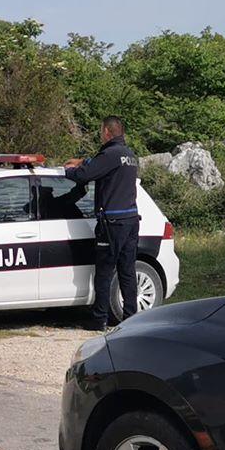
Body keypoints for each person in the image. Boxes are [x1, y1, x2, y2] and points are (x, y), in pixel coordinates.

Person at [63, 116, 142, 329]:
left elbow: (85, 175)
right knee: (127, 271)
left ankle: (99, 320)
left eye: (101, 131)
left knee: (104, 272)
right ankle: (131, 319)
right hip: (131, 220)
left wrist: (67, 171)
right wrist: (82, 161)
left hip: (112, 223)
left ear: (107, 132)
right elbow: (98, 165)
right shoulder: (128, 154)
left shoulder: (110, 154)